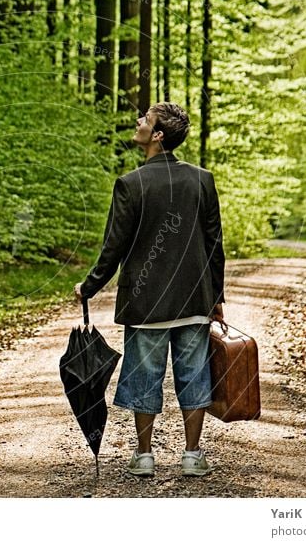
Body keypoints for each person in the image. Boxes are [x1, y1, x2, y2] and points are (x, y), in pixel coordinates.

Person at [73, 102, 225, 477]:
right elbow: (214, 245)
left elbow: (115, 246)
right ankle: (192, 455)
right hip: (194, 299)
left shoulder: (131, 184)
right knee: (194, 375)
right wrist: (217, 298)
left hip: (145, 304)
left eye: (146, 120)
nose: (139, 122)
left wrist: (89, 286)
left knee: (144, 377)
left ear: (157, 135)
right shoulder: (201, 180)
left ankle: (144, 456)